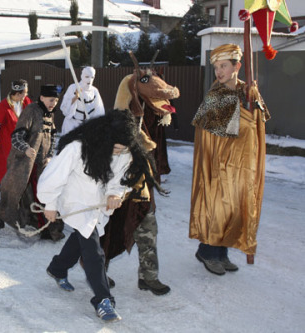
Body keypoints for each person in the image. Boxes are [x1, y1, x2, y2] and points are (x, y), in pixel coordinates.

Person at [39, 110, 156, 323]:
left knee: (81, 238)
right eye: (116, 147)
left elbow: (119, 179)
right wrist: (50, 203)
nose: (119, 152)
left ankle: (57, 268)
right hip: (75, 200)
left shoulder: (124, 152)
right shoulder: (77, 148)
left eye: (124, 148)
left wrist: (114, 193)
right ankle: (104, 300)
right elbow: (53, 176)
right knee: (94, 251)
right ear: (105, 138)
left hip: (96, 206)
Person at [189, 44, 270, 275]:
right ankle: (208, 252)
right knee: (219, 208)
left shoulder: (247, 91)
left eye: (223, 66)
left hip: (241, 164)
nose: (219, 72)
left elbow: (259, 122)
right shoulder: (217, 95)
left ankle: (221, 253)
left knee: (234, 209)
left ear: (237, 66)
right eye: (216, 67)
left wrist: (254, 104)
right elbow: (211, 137)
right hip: (219, 163)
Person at [101, 68, 179, 296]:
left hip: (143, 186)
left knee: (148, 229)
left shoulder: (152, 117)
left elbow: (156, 149)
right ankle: (99, 274)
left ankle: (149, 277)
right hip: (119, 188)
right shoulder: (118, 120)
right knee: (109, 232)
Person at [0, 84, 64, 241]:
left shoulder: (49, 114)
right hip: (23, 164)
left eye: (56, 101)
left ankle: (45, 228)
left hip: (41, 166)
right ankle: (0, 213)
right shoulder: (31, 111)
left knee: (41, 196)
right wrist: (25, 149)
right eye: (51, 100)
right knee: (13, 194)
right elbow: (16, 136)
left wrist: (50, 156)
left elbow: (52, 138)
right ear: (42, 98)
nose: (53, 103)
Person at [0, 79, 32, 192]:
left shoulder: (26, 101)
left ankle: (18, 186)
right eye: (25, 92)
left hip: (23, 139)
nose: (26, 95)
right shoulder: (3, 106)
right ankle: (2, 183)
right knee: (5, 163)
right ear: (17, 94)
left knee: (21, 164)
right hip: (7, 141)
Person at [59, 66, 105, 135]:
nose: (89, 80)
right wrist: (75, 97)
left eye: (92, 77)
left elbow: (99, 110)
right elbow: (64, 108)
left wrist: (95, 124)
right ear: (82, 76)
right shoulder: (73, 87)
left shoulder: (94, 91)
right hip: (71, 125)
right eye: (87, 77)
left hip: (87, 126)